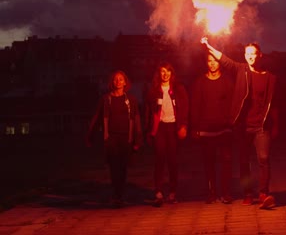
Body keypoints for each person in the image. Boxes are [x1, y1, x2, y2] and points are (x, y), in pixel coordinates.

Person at [200, 37, 278, 209]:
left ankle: (264, 193)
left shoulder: (271, 78)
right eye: (247, 53)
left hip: (261, 126)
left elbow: (274, 104)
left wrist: (276, 124)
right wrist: (207, 46)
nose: (250, 57)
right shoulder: (241, 70)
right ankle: (248, 193)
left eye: (253, 54)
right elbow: (224, 59)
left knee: (264, 159)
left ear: (260, 55)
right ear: (244, 55)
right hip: (243, 126)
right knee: (244, 161)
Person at [86, 70, 143, 207]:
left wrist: (138, 138)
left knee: (122, 168)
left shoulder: (131, 100)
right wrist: (90, 135)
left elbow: (136, 120)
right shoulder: (106, 99)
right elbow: (97, 118)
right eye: (116, 79)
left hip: (125, 138)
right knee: (114, 167)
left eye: (121, 79)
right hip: (111, 138)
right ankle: (116, 195)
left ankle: (120, 195)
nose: (118, 81)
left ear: (125, 82)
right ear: (112, 82)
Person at [191, 53, 234, 204]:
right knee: (209, 163)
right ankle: (211, 192)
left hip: (224, 129)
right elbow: (195, 106)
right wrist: (195, 127)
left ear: (220, 63)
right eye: (210, 61)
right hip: (206, 130)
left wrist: (231, 123)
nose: (213, 64)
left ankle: (226, 193)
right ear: (206, 63)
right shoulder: (200, 82)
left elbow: (232, 103)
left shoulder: (227, 81)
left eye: (215, 61)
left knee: (226, 161)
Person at [144, 61, 188, 206]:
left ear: (172, 73)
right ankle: (158, 192)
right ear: (159, 74)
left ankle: (173, 192)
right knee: (159, 159)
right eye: (162, 71)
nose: (165, 74)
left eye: (168, 71)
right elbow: (148, 112)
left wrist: (183, 126)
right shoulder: (153, 91)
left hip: (173, 127)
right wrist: (148, 131)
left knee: (173, 161)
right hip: (160, 128)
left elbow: (185, 108)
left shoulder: (178, 89)